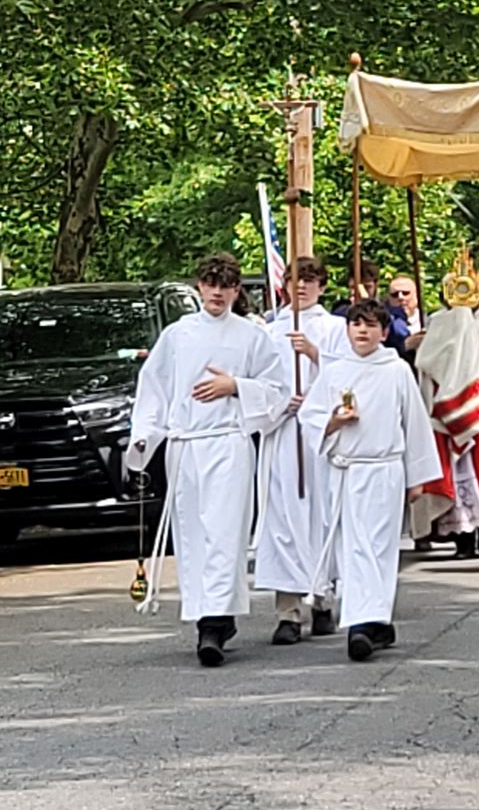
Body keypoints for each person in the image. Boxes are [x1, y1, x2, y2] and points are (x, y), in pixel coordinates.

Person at [126, 253, 291, 667]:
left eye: (226, 285)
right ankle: (206, 612)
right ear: (199, 287)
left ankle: (214, 624)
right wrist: (145, 435)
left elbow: (277, 389)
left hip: (228, 443)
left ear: (237, 291)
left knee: (224, 531)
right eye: (210, 283)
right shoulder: (178, 335)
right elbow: (155, 387)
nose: (217, 292)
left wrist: (235, 386)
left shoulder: (252, 337)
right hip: (185, 445)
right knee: (193, 532)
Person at [299, 300, 442, 662]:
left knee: (375, 547)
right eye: (356, 324)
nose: (362, 331)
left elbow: (415, 424)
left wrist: (418, 476)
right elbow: (310, 417)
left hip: (383, 470)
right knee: (351, 548)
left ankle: (366, 623)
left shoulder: (396, 371)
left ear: (383, 332)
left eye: (371, 325)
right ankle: (370, 623)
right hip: (345, 470)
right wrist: (333, 422)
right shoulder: (334, 371)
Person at [254, 256, 349, 645]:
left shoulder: (336, 329)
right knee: (283, 518)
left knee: (320, 516)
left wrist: (314, 354)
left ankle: (322, 600)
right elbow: (257, 380)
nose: (302, 288)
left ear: (322, 287)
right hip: (283, 434)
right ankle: (287, 610)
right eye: (295, 281)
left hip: (319, 437)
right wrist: (278, 404)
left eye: (310, 281)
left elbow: (349, 373)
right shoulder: (269, 331)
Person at [410, 250, 479, 559]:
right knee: (455, 475)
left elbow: (474, 352)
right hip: (441, 409)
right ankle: (463, 537)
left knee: (475, 475)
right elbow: (428, 360)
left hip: (470, 406)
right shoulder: (438, 321)